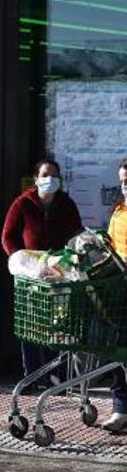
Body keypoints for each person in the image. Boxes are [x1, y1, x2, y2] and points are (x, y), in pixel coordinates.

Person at [1, 158, 83, 389]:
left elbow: (76, 235)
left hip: (57, 272)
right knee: (31, 324)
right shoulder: (23, 204)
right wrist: (22, 260)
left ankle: (53, 377)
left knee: (55, 324)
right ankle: (31, 375)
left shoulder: (66, 204)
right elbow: (8, 236)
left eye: (54, 175)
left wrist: (68, 260)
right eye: (45, 175)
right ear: (36, 179)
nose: (50, 180)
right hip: (30, 275)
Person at [102, 157, 127, 432]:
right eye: (122, 181)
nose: (125, 186)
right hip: (118, 287)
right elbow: (111, 242)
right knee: (117, 347)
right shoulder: (119, 209)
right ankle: (120, 408)